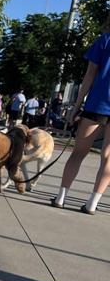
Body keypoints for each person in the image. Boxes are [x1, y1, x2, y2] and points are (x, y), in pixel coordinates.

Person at [51, 20, 110, 215]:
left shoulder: (104, 40)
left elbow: (89, 75)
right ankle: (92, 203)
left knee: (78, 153)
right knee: (108, 157)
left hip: (97, 105)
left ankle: (61, 197)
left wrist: (76, 106)